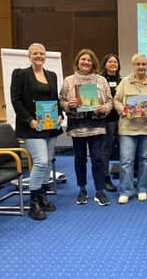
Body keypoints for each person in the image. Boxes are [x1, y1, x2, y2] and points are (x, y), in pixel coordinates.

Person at [10, 43, 63, 220]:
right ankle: (33, 202)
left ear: (45, 56)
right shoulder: (20, 74)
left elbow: (54, 99)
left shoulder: (52, 75)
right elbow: (16, 101)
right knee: (40, 161)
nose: (38, 56)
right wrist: (30, 120)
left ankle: (42, 195)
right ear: (29, 56)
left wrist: (60, 115)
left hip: (49, 126)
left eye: (41, 53)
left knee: (47, 161)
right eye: (35, 53)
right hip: (31, 127)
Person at [59, 49, 113, 206]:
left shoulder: (101, 80)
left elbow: (109, 100)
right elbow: (61, 100)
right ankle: (82, 189)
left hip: (97, 125)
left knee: (97, 159)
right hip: (77, 126)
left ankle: (99, 191)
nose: (86, 62)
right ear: (78, 61)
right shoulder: (69, 80)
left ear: (93, 63)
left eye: (89, 60)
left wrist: (105, 108)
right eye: (83, 59)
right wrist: (68, 104)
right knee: (80, 159)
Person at [113, 53, 147, 204]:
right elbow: (117, 100)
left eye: (144, 64)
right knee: (126, 161)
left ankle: (142, 189)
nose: (141, 67)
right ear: (133, 66)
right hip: (127, 127)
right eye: (138, 64)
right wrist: (123, 110)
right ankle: (126, 191)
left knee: (145, 160)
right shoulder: (125, 82)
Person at [100, 54, 121, 192]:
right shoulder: (100, 81)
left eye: (115, 61)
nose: (113, 63)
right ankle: (105, 179)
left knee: (125, 149)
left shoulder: (122, 80)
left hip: (122, 119)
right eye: (110, 61)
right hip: (106, 119)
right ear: (105, 64)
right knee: (106, 150)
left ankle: (127, 178)